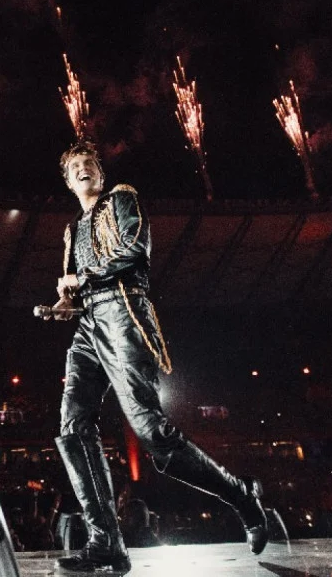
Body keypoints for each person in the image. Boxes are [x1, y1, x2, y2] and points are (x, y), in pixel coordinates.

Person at [47, 141, 268, 573]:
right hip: (89, 323)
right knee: (72, 428)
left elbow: (133, 251)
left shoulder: (122, 198)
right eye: (75, 166)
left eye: (90, 162)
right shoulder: (72, 229)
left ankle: (242, 496)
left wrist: (83, 278)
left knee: (151, 432)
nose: (84, 168)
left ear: (101, 173)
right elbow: (81, 288)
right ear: (68, 180)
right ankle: (106, 542)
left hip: (124, 312)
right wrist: (65, 303)